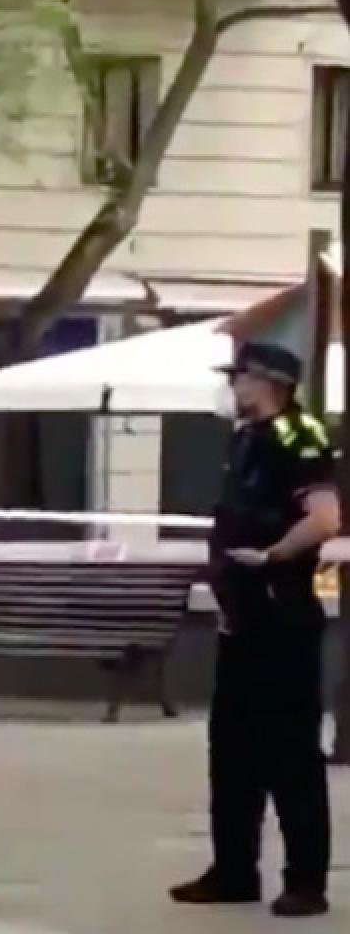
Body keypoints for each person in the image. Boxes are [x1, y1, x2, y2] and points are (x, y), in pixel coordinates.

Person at [171, 341, 339, 919]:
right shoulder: (245, 439)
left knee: (289, 751)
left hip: (281, 614)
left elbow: (324, 518)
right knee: (233, 751)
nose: (232, 387)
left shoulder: (301, 435)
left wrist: (272, 556)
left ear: (268, 381)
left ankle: (306, 880)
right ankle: (233, 870)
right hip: (240, 617)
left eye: (239, 377)